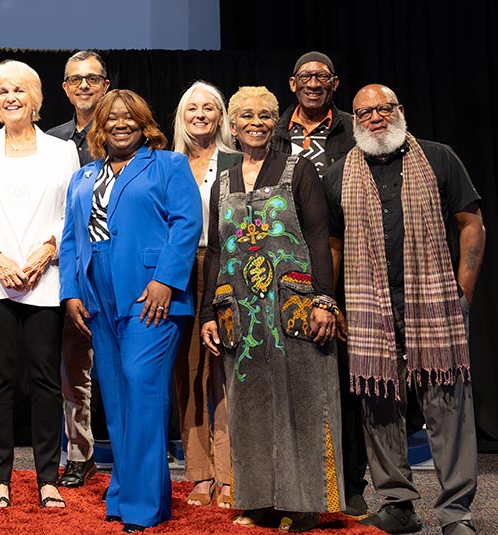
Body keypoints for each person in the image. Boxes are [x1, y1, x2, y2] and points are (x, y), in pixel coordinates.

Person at [324, 84, 484, 535]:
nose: (375, 117)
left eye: (383, 108)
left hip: (434, 305)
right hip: (368, 308)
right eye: (364, 112)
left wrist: (463, 292)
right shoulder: (338, 174)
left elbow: (471, 224)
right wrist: (331, 301)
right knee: (378, 407)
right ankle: (397, 505)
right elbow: (333, 246)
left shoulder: (437, 158)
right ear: (354, 121)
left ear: (400, 111)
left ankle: (456, 513)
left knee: (447, 404)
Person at [200, 86, 343, 533]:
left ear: (275, 121)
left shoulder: (298, 169)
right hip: (240, 312)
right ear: (234, 125)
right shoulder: (223, 180)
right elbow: (218, 251)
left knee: (303, 398)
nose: (256, 123)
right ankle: (259, 500)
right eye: (246, 116)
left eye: (264, 115)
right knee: (249, 405)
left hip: (293, 307)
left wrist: (324, 299)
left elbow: (320, 237)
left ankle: (303, 504)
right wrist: (209, 310)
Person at [60, 89, 202, 532]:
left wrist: (165, 280)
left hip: (150, 294)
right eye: (111, 118)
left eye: (129, 118)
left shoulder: (168, 165)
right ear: (99, 126)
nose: (121, 124)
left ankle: (142, 507)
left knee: (141, 390)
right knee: (118, 399)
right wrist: (70, 293)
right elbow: (69, 238)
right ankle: (125, 492)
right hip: (97, 293)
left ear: (145, 123)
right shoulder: (83, 175)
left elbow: (187, 222)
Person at [0, 60, 78, 510]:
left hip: (45, 279)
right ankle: (0, 479)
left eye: (20, 90)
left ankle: (48, 478)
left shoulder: (62, 151)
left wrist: (47, 252)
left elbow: (72, 213)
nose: (11, 97)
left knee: (46, 380)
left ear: (36, 99)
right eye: (3, 90)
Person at [271, 50, 368, 517]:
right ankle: (295, 481)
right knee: (293, 374)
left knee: (344, 374)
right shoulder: (273, 130)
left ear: (334, 83)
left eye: (322, 77)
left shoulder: (353, 129)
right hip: (286, 262)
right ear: (292, 84)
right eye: (305, 77)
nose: (313, 83)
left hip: (346, 257)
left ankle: (350, 484)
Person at [170, 80, 239, 509]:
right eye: (192, 107)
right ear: (181, 115)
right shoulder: (167, 163)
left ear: (220, 116)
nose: (200, 114)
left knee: (228, 373)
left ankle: (230, 474)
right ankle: (199, 473)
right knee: (189, 372)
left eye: (208, 108)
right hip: (179, 271)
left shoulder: (237, 160)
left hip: (227, 269)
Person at [45, 49, 110, 488]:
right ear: (65, 88)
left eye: (92, 78)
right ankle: (79, 454)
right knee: (74, 368)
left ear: (106, 84)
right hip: (69, 265)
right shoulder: (50, 141)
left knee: (130, 369)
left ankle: (136, 453)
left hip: (119, 265)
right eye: (75, 79)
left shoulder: (128, 131)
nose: (84, 85)